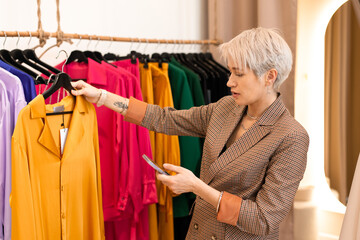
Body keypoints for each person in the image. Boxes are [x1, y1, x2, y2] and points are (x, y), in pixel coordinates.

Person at [71, 27, 309, 239]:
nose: (229, 82)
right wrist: (103, 97)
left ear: (270, 76)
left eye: (238, 74)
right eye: (229, 73)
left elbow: (263, 219)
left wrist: (196, 187)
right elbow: (165, 118)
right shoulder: (226, 108)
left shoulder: (290, 136)